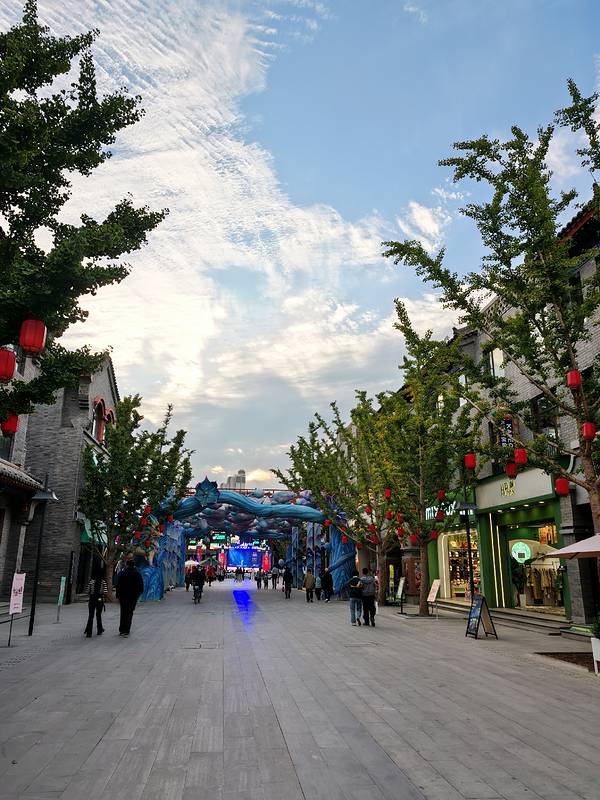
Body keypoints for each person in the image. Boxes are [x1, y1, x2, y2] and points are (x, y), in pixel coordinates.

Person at [115, 555, 144, 637]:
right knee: (130, 613)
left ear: (127, 565)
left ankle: (122, 629)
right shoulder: (137, 574)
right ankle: (126, 630)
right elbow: (141, 587)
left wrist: (118, 595)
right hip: (133, 597)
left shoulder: (123, 573)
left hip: (123, 597)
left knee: (123, 612)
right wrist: (137, 595)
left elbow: (118, 585)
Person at [84, 568, 107, 637]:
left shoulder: (91, 581)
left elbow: (87, 591)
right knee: (98, 615)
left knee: (91, 616)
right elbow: (105, 592)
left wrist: (91, 594)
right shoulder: (103, 582)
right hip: (99, 599)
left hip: (92, 599)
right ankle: (99, 630)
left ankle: (89, 632)